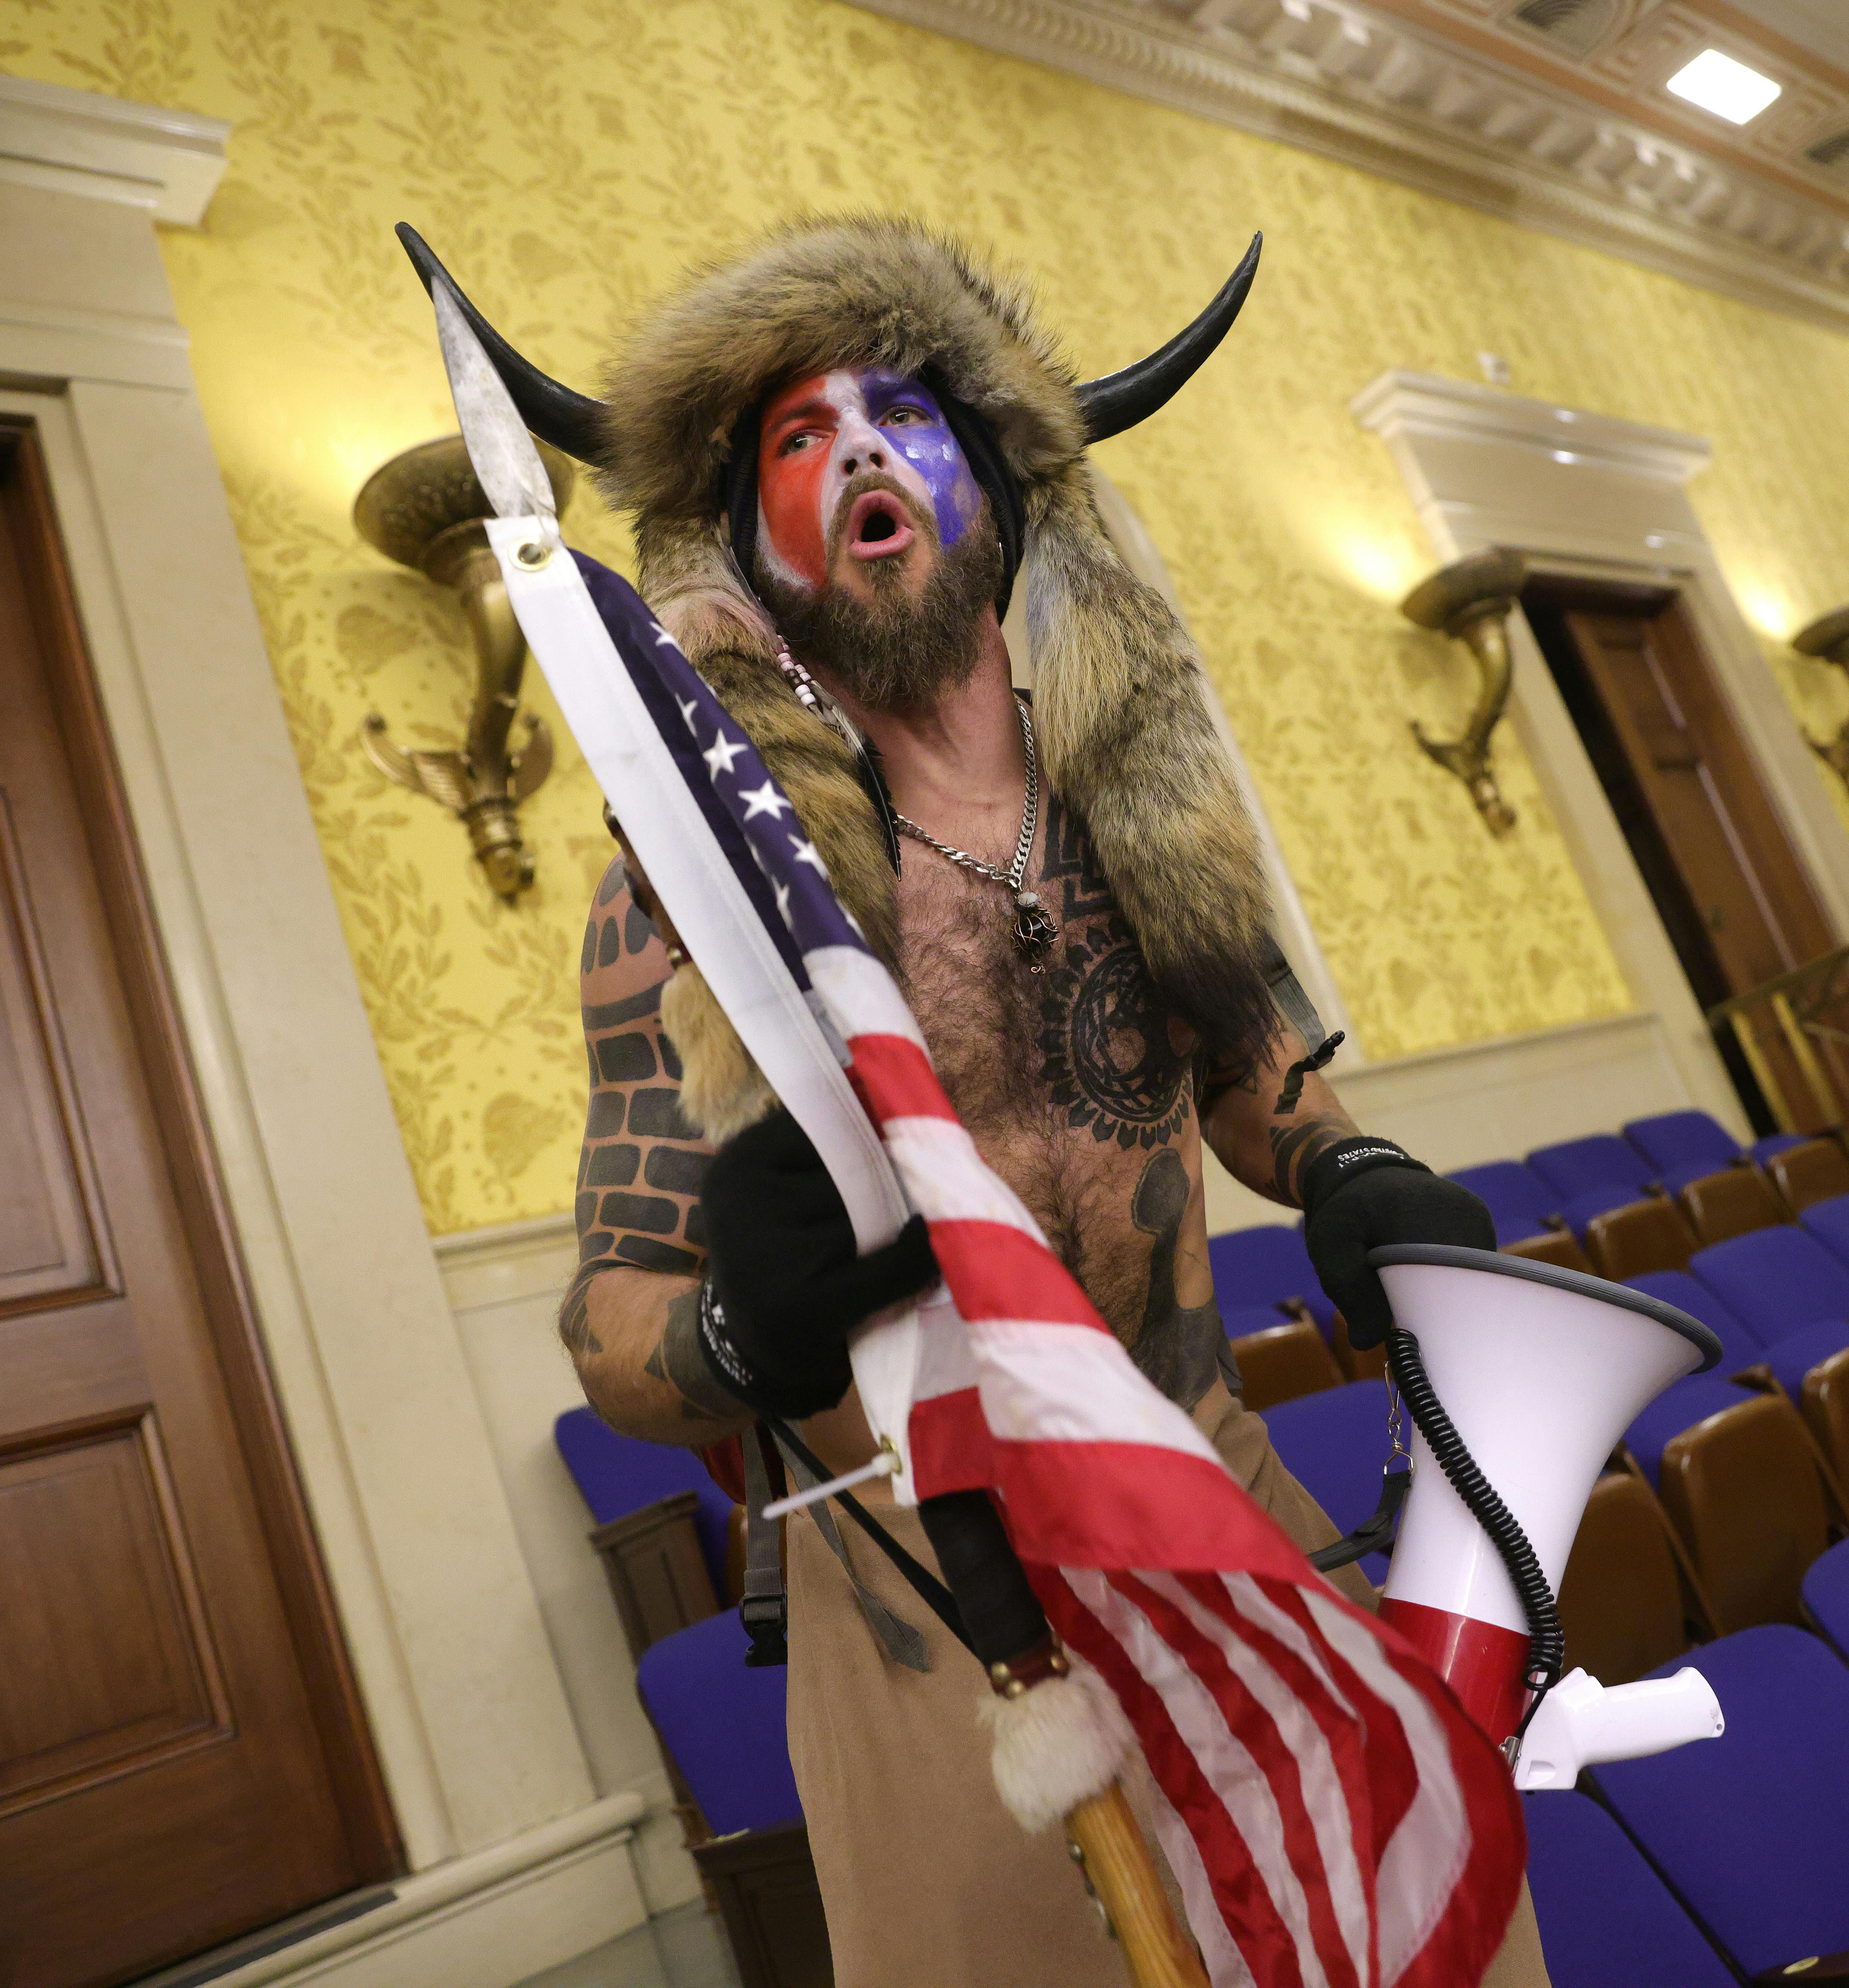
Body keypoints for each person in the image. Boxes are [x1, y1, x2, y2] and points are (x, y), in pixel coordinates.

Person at [453, 218, 1549, 1985]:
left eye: (901, 414)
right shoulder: (697, 892)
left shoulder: (1137, 802)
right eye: (796, 441)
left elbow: (1259, 1076)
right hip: (929, 1622)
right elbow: (610, 1322)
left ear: (998, 488)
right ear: (744, 545)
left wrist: (1350, 1166)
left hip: (1220, 1506)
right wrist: (740, 1330)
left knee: (1430, 1934)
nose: (859, 453)